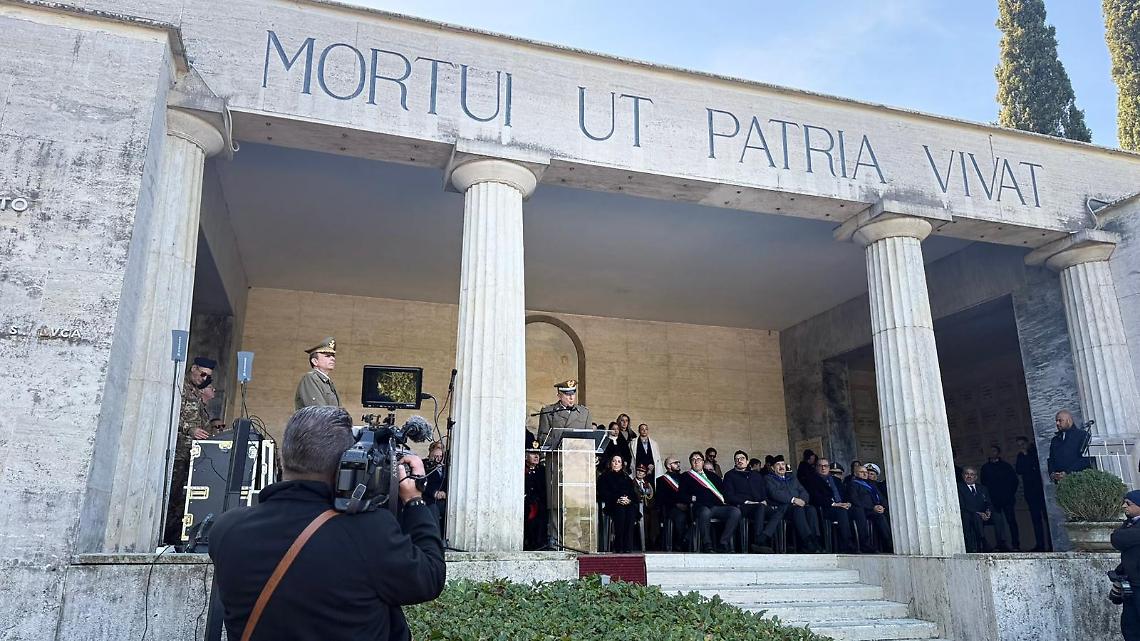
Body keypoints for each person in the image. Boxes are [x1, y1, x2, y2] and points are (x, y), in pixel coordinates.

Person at [209, 405, 445, 641]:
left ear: (283, 455)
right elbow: (430, 577)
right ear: (344, 464)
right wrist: (415, 500)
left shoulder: (226, 530)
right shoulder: (369, 533)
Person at [165, 356, 216, 545]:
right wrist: (190, 429)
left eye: (207, 377)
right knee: (172, 496)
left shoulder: (196, 393)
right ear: (193, 368)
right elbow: (169, 413)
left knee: (183, 500)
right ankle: (165, 536)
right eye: (202, 373)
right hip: (179, 451)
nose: (204, 378)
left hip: (193, 455)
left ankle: (174, 538)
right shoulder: (181, 387)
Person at [680, 451, 740, 553]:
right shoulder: (686, 476)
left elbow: (723, 492)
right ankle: (707, 544)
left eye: (698, 459)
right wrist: (692, 498)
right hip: (700, 507)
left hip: (716, 506)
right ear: (690, 462)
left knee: (735, 511)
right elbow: (681, 495)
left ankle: (723, 543)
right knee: (705, 512)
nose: (696, 462)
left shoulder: (713, 476)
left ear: (703, 462)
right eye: (693, 460)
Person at [765, 458, 822, 553]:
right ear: (772, 468)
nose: (781, 466)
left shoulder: (792, 478)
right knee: (798, 510)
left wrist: (803, 500)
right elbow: (774, 493)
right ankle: (807, 541)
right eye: (778, 464)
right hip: (783, 509)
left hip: (799, 505)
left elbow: (803, 491)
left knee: (811, 509)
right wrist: (793, 500)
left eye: (783, 464)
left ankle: (814, 539)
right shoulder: (769, 478)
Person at [722, 450, 775, 553]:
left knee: (779, 512)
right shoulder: (729, 475)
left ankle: (763, 537)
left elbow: (763, 491)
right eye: (736, 459)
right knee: (760, 508)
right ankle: (758, 543)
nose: (739, 461)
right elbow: (729, 496)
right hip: (743, 506)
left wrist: (764, 500)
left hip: (760, 504)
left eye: (742, 459)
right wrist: (747, 502)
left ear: (747, 461)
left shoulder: (756, 475)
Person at [804, 458, 858, 553]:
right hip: (827, 509)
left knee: (859, 511)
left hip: (842, 506)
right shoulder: (812, 480)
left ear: (829, 468)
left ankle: (863, 543)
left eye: (826, 466)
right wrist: (834, 504)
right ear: (816, 467)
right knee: (842, 512)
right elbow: (815, 497)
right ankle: (846, 544)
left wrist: (848, 502)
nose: (823, 468)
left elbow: (845, 494)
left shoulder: (836, 480)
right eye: (820, 466)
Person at [958, 466, 1012, 553]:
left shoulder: (982, 488)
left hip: (983, 513)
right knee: (975, 517)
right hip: (970, 514)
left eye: (972, 474)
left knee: (997, 516)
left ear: (976, 477)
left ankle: (1001, 543)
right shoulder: (959, 487)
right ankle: (983, 542)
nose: (969, 476)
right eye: (966, 474)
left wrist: (988, 511)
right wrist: (979, 513)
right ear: (962, 475)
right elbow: (962, 505)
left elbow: (989, 503)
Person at [1111, 490, 1140, 641]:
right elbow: (1116, 539)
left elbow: (1121, 538)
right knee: (1130, 626)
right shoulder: (1128, 524)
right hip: (1131, 583)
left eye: (1128, 503)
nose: (1124, 506)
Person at [980, 446, 1020, 550]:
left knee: (1011, 521)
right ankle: (1001, 545)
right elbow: (983, 484)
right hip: (993, 500)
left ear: (998, 452)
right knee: (998, 523)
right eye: (990, 451)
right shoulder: (985, 468)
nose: (992, 453)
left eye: (994, 451)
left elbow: (1014, 481)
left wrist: (1010, 494)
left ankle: (1016, 545)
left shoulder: (1006, 466)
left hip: (1007, 499)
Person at [598, 455, 640, 553]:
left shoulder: (627, 478)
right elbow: (603, 492)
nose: (616, 463)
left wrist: (628, 500)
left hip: (627, 504)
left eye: (619, 461)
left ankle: (628, 546)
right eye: (614, 461)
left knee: (630, 511)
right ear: (610, 463)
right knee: (620, 511)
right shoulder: (604, 477)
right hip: (612, 504)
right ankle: (619, 545)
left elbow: (633, 493)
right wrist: (617, 500)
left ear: (622, 465)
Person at [1015, 435, 1049, 551]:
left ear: (1027, 443)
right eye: (1019, 445)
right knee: (1036, 520)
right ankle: (1040, 545)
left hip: (1041, 489)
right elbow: (1019, 470)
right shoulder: (1020, 456)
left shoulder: (1035, 452)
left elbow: (1037, 466)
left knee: (1047, 518)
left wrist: (1026, 455)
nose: (1021, 447)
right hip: (1030, 491)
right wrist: (1023, 456)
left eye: (1022, 444)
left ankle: (1051, 543)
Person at [848, 465, 891, 553]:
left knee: (882, 517)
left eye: (866, 472)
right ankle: (865, 545)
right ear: (855, 473)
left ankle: (889, 544)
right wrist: (872, 507)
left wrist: (882, 506)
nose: (865, 474)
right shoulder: (853, 484)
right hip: (863, 510)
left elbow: (881, 498)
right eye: (861, 472)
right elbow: (854, 499)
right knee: (860, 513)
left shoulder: (871, 485)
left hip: (874, 510)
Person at [536, 379, 591, 446]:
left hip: (578, 453)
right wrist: (562, 443)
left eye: (573, 394)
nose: (571, 398)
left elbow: (589, 437)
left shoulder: (584, 412)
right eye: (567, 395)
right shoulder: (548, 412)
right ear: (559, 396)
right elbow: (542, 438)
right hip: (558, 453)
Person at [294, 337, 341, 410]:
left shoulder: (326, 382)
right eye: (327, 356)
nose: (333, 358)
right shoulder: (311, 378)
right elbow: (319, 412)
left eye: (333, 356)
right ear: (315, 361)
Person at [1047, 409, 1092, 482]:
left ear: (1069, 421)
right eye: (1056, 421)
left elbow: (1086, 459)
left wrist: (1068, 473)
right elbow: (1051, 459)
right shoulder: (1055, 440)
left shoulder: (1082, 435)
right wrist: (1052, 473)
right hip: (1060, 482)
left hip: (1079, 480)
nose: (1057, 423)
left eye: (1060, 420)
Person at [655, 457, 689, 551]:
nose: (678, 464)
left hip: (687, 506)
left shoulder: (684, 478)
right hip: (671, 508)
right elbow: (662, 498)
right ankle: (679, 544)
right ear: (669, 466)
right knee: (680, 517)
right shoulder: (661, 480)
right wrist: (676, 504)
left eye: (678, 462)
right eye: (675, 463)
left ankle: (688, 540)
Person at [523, 451, 547, 551]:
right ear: (525, 455)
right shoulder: (521, 469)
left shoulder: (542, 470)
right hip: (525, 504)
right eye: (533, 453)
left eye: (537, 453)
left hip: (538, 504)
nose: (536, 456)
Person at [422, 442, 447, 532]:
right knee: (434, 510)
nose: (438, 459)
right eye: (436, 457)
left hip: (444, 500)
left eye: (441, 457)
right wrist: (434, 492)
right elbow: (420, 482)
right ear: (430, 454)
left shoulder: (447, 468)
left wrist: (445, 494)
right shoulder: (424, 465)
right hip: (428, 499)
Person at [632, 464, 656, 549]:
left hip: (648, 508)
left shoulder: (647, 484)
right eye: (638, 470)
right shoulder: (632, 483)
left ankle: (652, 541)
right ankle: (644, 542)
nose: (639, 472)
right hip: (637, 507)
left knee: (654, 516)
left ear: (645, 474)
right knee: (644, 517)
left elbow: (651, 497)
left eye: (642, 471)